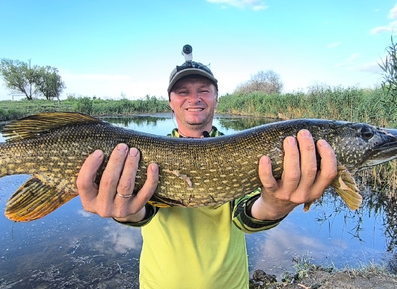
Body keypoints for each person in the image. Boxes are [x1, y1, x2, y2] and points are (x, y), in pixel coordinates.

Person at [76, 47, 338, 288]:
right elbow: (143, 211)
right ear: (170, 101)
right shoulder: (145, 155)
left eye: (203, 90)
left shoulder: (247, 150)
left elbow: (249, 213)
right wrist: (122, 211)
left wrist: (276, 204)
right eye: (183, 92)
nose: (194, 98)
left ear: (216, 98)